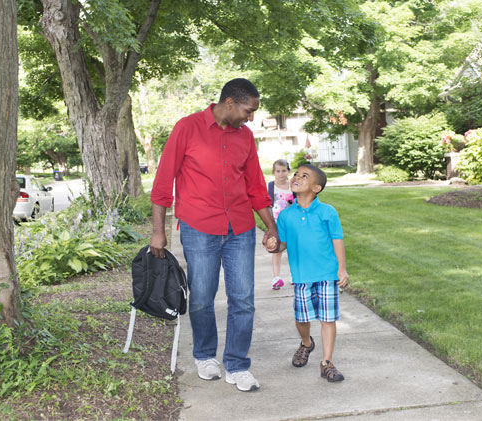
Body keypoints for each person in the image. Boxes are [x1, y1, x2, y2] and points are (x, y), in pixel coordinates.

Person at [149, 78, 279, 392]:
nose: (251, 118)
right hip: (199, 228)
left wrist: (271, 227)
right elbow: (164, 182)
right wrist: (158, 233)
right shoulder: (187, 128)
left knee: (243, 300)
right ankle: (205, 355)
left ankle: (237, 364)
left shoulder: (246, 138)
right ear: (230, 103)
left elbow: (256, 189)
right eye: (249, 111)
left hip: (240, 229)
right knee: (202, 298)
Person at [271, 164, 349, 382]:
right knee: (301, 318)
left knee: (328, 318)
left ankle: (327, 362)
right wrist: (273, 246)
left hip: (326, 274)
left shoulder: (327, 212)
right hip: (301, 276)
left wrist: (341, 269)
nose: (296, 177)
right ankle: (306, 343)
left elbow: (337, 239)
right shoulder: (286, 215)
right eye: (296, 174)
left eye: (304, 176)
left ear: (316, 188)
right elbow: (282, 244)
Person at [267, 159, 295, 290]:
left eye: (284, 171)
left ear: (289, 171)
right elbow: (268, 205)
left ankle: (294, 275)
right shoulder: (272, 186)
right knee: (277, 250)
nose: (281, 174)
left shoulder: (293, 186)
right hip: (277, 224)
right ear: (273, 172)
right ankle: (276, 278)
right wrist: (270, 224)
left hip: (292, 224)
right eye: (278, 171)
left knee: (293, 250)